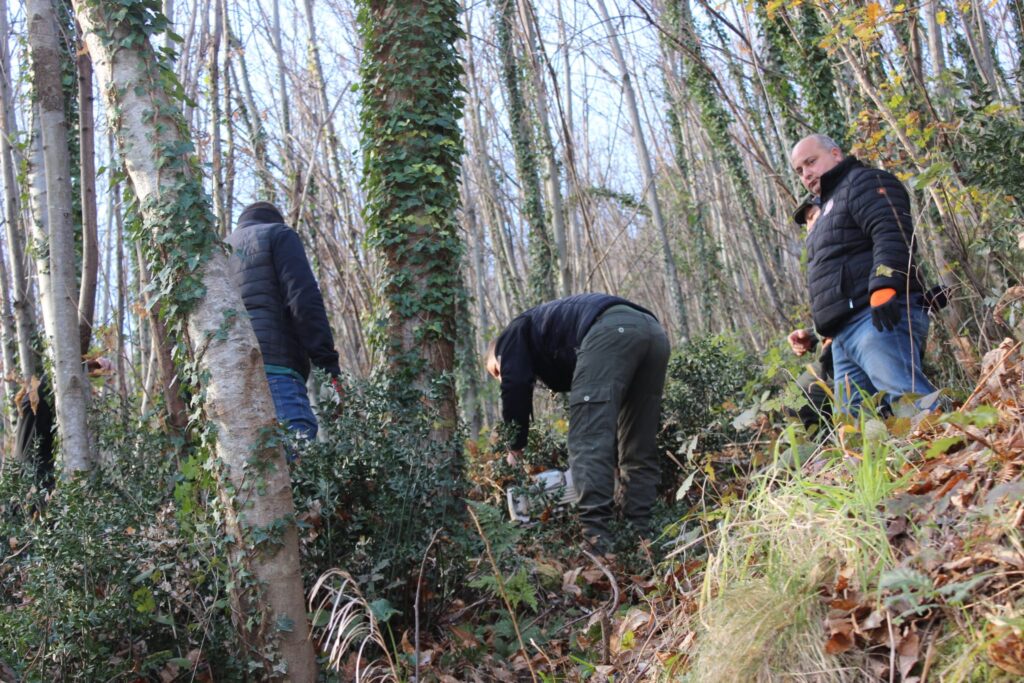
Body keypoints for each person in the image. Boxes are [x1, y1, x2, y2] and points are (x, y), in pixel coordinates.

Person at [485, 293, 670, 553]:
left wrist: (514, 447)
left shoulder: (512, 335)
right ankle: (642, 539)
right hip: (653, 333)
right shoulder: (549, 335)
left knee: (587, 440)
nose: (499, 377)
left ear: (496, 355)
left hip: (609, 329)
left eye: (496, 370)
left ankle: (597, 544)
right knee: (637, 444)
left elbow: (514, 383)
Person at [789, 134, 938, 413]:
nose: (806, 173)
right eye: (800, 170)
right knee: (857, 430)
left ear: (835, 154)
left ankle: (961, 449)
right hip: (843, 334)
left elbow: (892, 233)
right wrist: (819, 329)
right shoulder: (824, 214)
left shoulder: (864, 182)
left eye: (811, 162)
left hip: (877, 317)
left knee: (912, 403)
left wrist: (884, 285)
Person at [226, 201, 340, 442]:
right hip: (278, 370)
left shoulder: (218, 252)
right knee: (297, 462)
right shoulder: (279, 235)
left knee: (251, 472)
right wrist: (327, 364)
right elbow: (303, 300)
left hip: (228, 379)